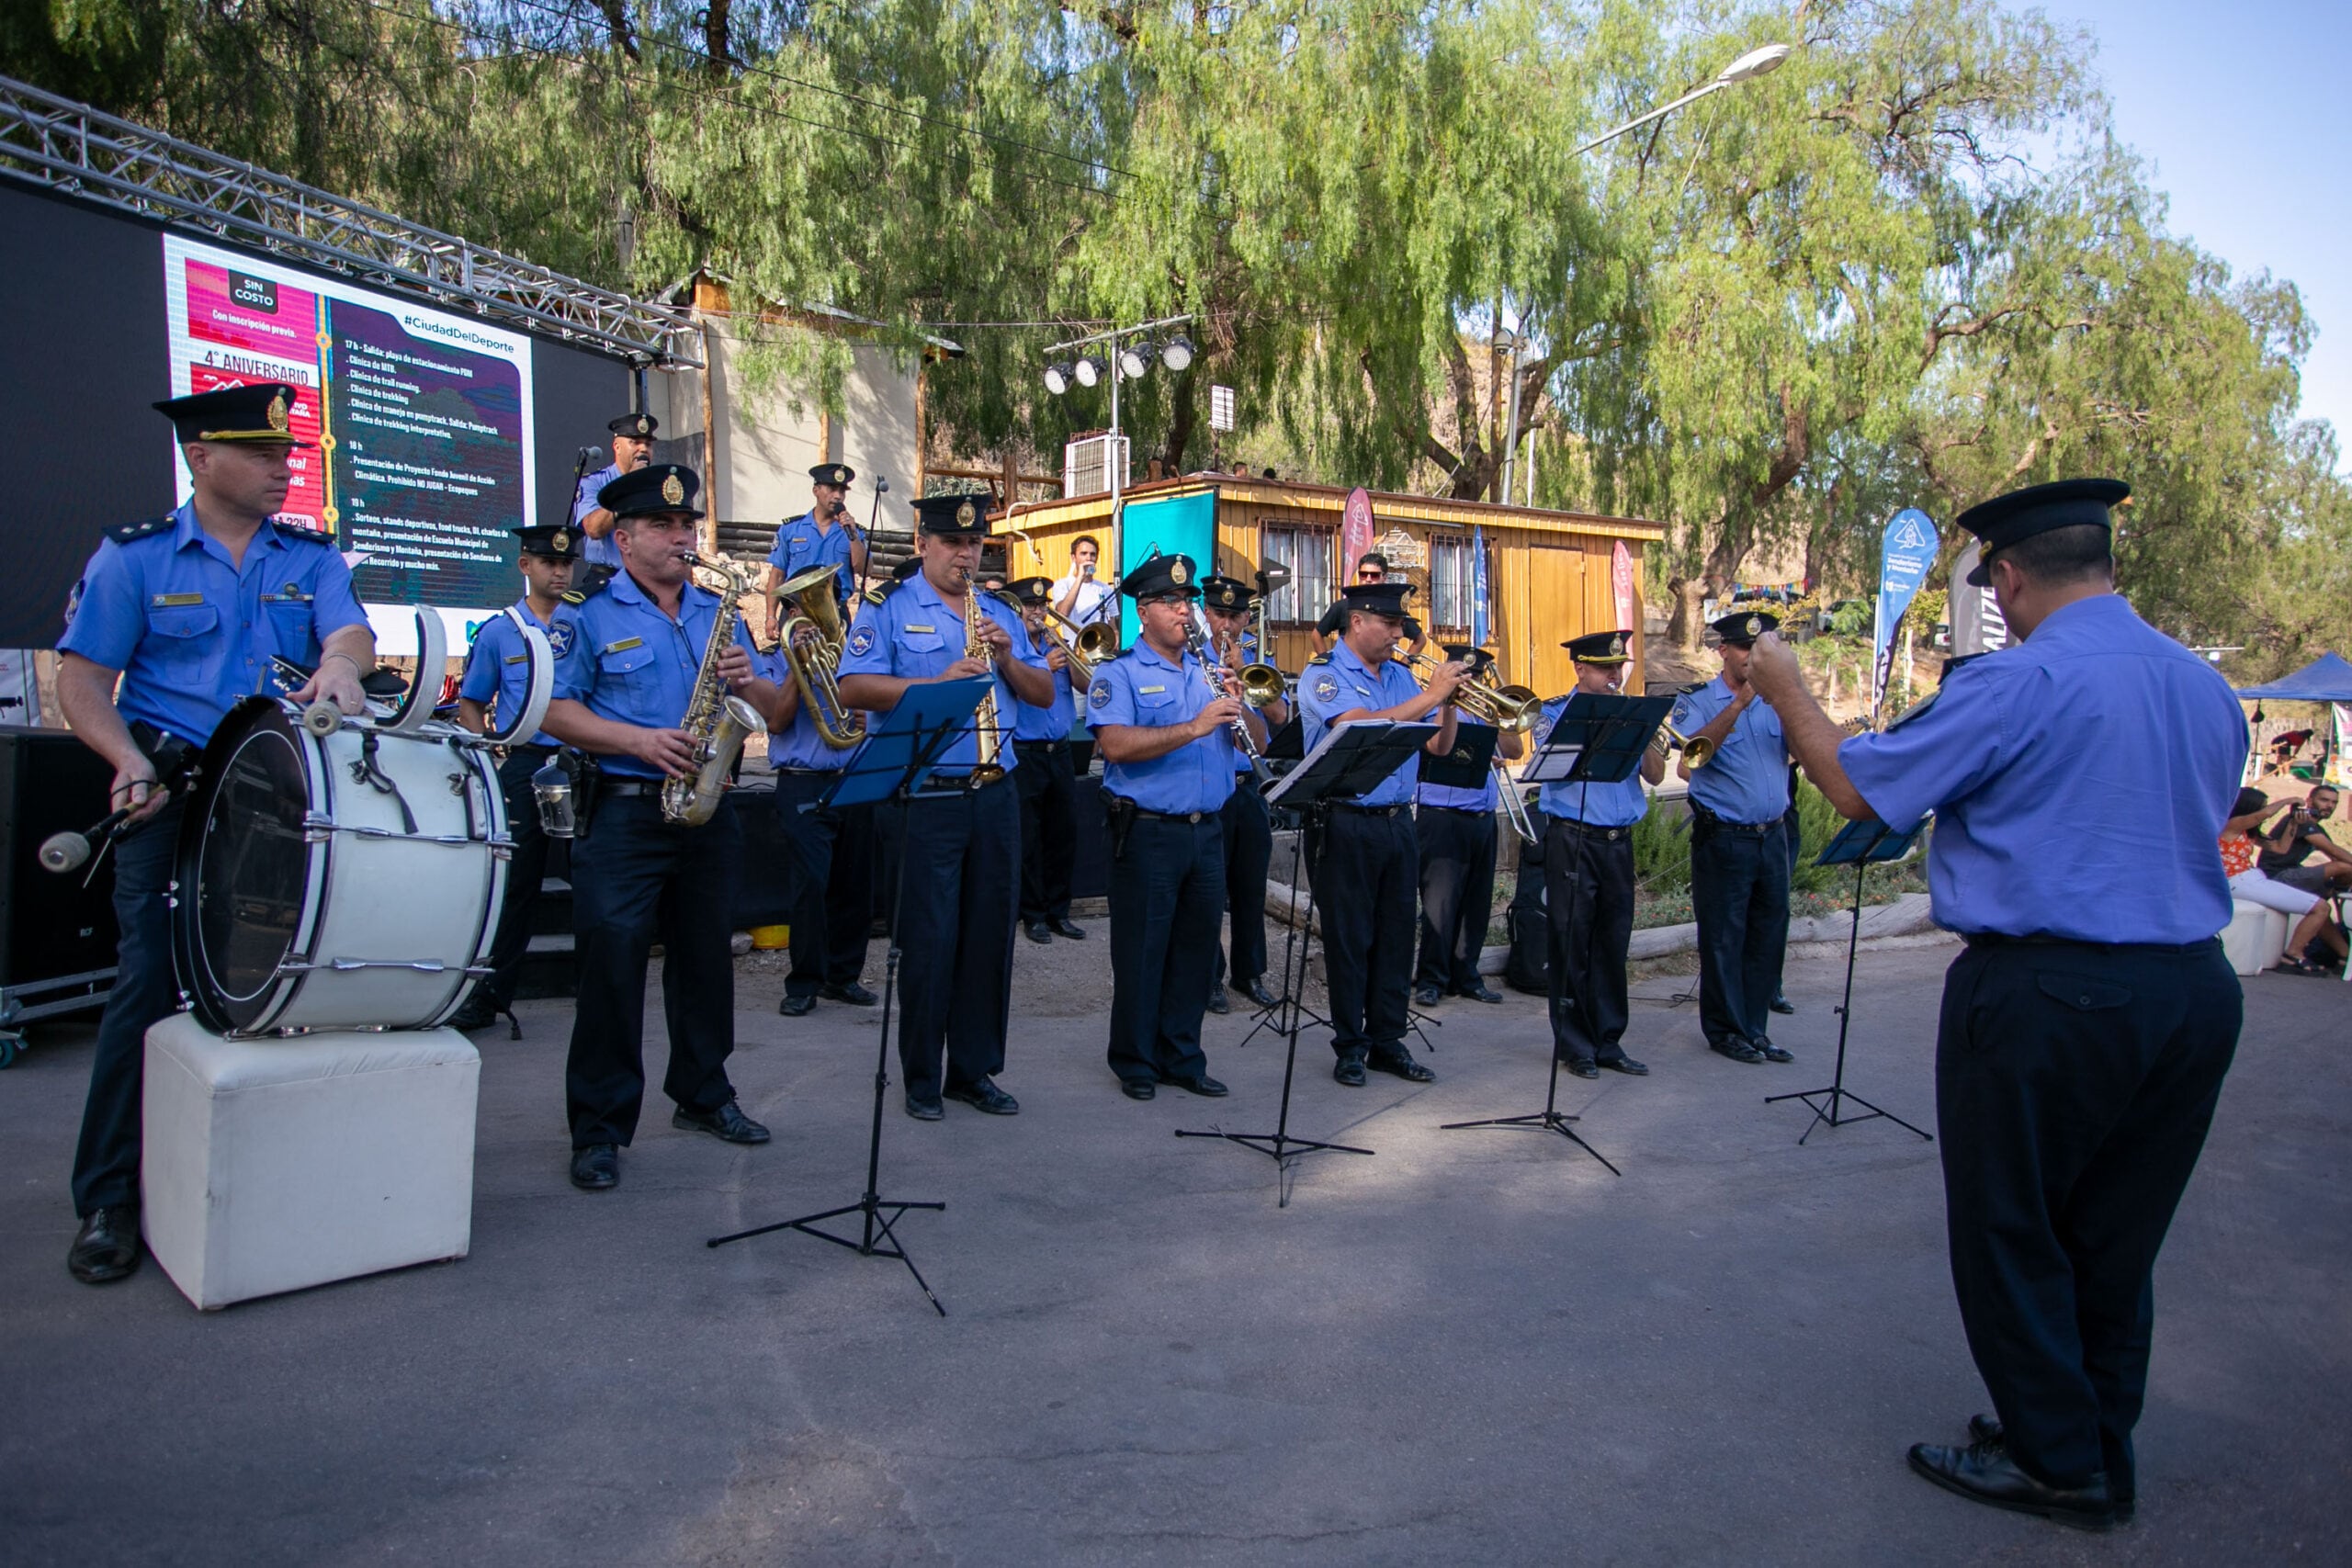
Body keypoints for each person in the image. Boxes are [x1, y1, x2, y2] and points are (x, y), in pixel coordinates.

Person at [1747, 478, 2249, 1532]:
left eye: (1994, 587)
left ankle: (2054, 1462)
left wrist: (1786, 682)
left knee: (2012, 1228)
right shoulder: (2201, 685)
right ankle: (2090, 1445)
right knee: (2113, 1237)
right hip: (2192, 991)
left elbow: (1854, 786)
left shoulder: (2019, 683)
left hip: (2050, 991)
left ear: (2008, 576)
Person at [53, 381, 375, 1283]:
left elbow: (347, 632)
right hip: (170, 792)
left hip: (274, 800)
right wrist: (126, 759)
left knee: (278, 987)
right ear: (201, 458)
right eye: (265, 455)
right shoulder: (137, 560)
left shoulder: (309, 558)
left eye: (289, 456)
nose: (285, 469)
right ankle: (110, 1197)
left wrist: (343, 671)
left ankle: (260, 1184)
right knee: (147, 985)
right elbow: (80, 683)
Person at [542, 464, 781, 1192]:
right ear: (624, 537)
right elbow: (553, 710)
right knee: (612, 965)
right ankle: (600, 1128)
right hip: (624, 807)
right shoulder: (584, 611)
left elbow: (770, 709)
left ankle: (704, 1094)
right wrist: (636, 740)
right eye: (665, 527)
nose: (684, 537)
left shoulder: (719, 611)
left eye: (688, 525)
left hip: (709, 811)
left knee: (706, 958)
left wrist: (752, 681)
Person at [836, 492, 1056, 1121]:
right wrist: (931, 685)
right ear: (922, 545)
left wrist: (1010, 656)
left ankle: (974, 1069)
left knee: (989, 938)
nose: (966, 555)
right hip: (925, 797)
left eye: (975, 545)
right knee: (929, 940)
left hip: (995, 792)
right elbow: (853, 686)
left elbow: (1043, 693)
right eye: (953, 544)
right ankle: (921, 1076)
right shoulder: (888, 607)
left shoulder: (1002, 610)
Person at [1088, 553, 1260, 1099]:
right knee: (1143, 951)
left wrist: (1239, 704)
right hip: (1148, 832)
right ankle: (1136, 1061)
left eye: (1187, 602)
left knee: (1194, 948)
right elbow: (1114, 745)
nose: (1185, 613)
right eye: (1172, 602)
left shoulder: (1207, 670)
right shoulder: (1119, 673)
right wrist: (1195, 725)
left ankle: (1183, 1055)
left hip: (1207, 828)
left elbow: (1254, 739)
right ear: (1145, 611)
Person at [1295, 581, 1464, 1085]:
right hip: (1343, 821)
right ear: (1357, 622)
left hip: (1397, 822)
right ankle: (1350, 1044)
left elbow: (1438, 748)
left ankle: (1388, 1040)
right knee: (1350, 939)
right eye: (1390, 625)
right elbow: (1360, 726)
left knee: (1396, 937)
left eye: (1400, 626)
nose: (1397, 635)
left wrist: (1448, 703)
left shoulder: (1400, 676)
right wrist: (1432, 694)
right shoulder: (1323, 676)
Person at [450, 522, 583, 1033]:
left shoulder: (584, 623)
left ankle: (596, 991)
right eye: (549, 562)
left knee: (591, 880)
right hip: (526, 762)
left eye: (566, 562)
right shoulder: (501, 630)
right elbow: (471, 701)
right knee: (514, 886)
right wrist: (488, 760)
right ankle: (488, 994)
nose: (559, 570)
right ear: (526, 566)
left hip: (580, 762)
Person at [1536, 630, 1663, 1078]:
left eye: (1618, 668)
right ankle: (1575, 1045)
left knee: (1612, 942)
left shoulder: (1631, 715)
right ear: (1580, 669)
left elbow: (1655, 773)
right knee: (1571, 941)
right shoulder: (1554, 713)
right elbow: (1545, 766)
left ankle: (1609, 1041)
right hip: (1572, 837)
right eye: (1605, 668)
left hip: (1616, 841)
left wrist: (1645, 731)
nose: (1614, 676)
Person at [1672, 611, 1795, 1066]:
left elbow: (1800, 753)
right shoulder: (1700, 700)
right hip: (1724, 836)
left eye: (1761, 648)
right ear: (1723, 649)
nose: (1752, 658)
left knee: (1768, 934)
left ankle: (1755, 1028)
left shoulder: (1778, 698)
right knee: (1724, 937)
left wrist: (1791, 701)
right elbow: (1689, 764)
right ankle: (1725, 1030)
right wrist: (1739, 704)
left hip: (1773, 835)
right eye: (1745, 649)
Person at [764, 547, 879, 1021]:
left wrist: (865, 710)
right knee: (810, 884)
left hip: (853, 777)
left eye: (826, 597)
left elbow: (879, 708)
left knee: (856, 882)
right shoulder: (777, 657)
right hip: (803, 781)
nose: (816, 609)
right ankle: (804, 981)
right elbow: (775, 720)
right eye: (805, 602)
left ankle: (843, 976)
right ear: (790, 610)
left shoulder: (858, 653)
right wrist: (796, 666)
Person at [1412, 647, 1521, 1007]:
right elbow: (1435, 744)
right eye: (1464, 674)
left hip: (1481, 816)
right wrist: (1451, 703)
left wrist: (1496, 714)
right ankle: (1431, 978)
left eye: (1477, 676)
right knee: (1439, 905)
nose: (1471, 682)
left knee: (1476, 902)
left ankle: (1467, 975)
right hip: (1441, 814)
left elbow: (1515, 748)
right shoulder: (1429, 704)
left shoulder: (1487, 711)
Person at [1200, 575, 1287, 1013]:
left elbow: (1274, 726)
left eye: (1236, 616)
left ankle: (1249, 973)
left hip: (1249, 787)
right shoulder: (1193, 660)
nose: (1227, 625)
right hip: (1211, 792)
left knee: (1250, 887)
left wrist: (1243, 679)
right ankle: (1209, 977)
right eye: (1220, 614)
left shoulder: (1256, 661)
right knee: (1209, 892)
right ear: (1207, 612)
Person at [1007, 576, 1084, 943]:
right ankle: (1033, 914)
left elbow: (1088, 684)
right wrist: (1044, 666)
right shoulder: (1011, 649)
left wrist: (1074, 656)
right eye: (1031, 606)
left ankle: (1059, 912)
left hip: (1062, 749)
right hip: (1026, 752)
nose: (1038, 612)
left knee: (1063, 834)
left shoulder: (1057, 642)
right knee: (1030, 837)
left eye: (1042, 605)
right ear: (1017, 609)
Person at [2225, 788, 2346, 974]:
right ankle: (2293, 955)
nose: (2264, 812)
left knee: (2320, 907)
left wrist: (2293, 824)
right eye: (2260, 807)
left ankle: (2303, 953)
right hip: (2237, 880)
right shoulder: (2233, 824)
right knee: (2320, 907)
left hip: (2252, 878)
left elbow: (2280, 848)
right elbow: (2264, 814)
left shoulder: (2250, 833)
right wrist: (2288, 800)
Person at [759, 463, 869, 643]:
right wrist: (770, 616)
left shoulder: (853, 531)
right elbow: (777, 575)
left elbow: (863, 569)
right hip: (797, 613)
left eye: (842, 491)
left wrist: (853, 536)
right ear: (816, 490)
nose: (838, 496)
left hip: (835, 614)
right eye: (832, 489)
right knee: (792, 667)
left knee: (836, 668)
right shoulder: (791, 529)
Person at [571, 412, 656, 593]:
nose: (643, 449)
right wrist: (628, 486)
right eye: (634, 442)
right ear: (617, 447)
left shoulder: (656, 488)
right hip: (606, 581)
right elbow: (593, 529)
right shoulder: (594, 482)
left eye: (648, 444)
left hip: (646, 583)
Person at [2256, 782, 2352, 897]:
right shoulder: (2301, 821)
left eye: (2334, 802)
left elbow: (2336, 856)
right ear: (2310, 802)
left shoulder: (2316, 828)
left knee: (2343, 869)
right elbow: (2333, 850)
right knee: (2344, 867)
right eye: (2324, 800)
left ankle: (2334, 893)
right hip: (2276, 874)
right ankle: (2335, 892)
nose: (2330, 805)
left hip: (2292, 871)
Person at [1052, 533, 1117, 629]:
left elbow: (1112, 625)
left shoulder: (1106, 589)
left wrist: (1115, 636)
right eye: (1083, 554)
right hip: (1072, 643)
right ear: (1073, 557)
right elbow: (1062, 613)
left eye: (1093, 554)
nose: (1089, 558)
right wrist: (1080, 578)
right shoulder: (1062, 585)